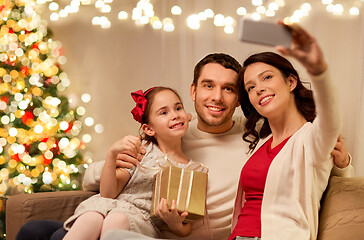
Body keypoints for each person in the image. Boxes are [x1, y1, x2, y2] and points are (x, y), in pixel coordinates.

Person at [16, 52, 354, 240]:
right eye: (208, 86)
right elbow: (100, 180)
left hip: (153, 232)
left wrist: (344, 161)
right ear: (193, 91)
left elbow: (313, 159)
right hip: (119, 216)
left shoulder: (256, 138)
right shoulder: (172, 130)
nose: (216, 97)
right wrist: (112, 161)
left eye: (229, 89)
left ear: (241, 99)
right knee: (32, 229)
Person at [229, 23, 344, 240]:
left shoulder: (311, 140)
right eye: (250, 87)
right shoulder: (262, 142)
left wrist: (319, 71)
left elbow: (331, 118)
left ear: (291, 82)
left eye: (267, 77)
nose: (258, 89)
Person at [64, 86, 208, 239]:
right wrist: (112, 155)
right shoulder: (141, 151)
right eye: (164, 112)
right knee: (90, 217)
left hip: (141, 221)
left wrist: (174, 223)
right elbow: (108, 194)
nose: (175, 115)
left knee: (116, 219)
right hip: (109, 205)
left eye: (178, 108)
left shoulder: (192, 170)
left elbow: (185, 229)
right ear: (148, 129)